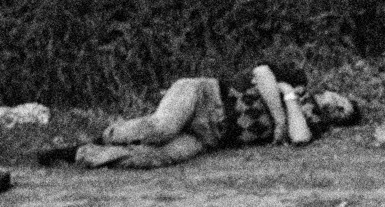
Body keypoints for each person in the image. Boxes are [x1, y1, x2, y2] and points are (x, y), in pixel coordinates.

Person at [69, 62, 361, 170]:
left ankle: (87, 154)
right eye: (340, 100)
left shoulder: (310, 119)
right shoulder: (297, 77)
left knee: (158, 157)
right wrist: (280, 117)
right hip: (202, 96)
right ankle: (108, 135)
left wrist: (288, 97)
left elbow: (299, 139)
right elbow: (261, 72)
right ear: (333, 91)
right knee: (162, 129)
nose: (336, 105)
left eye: (341, 112)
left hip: (209, 136)